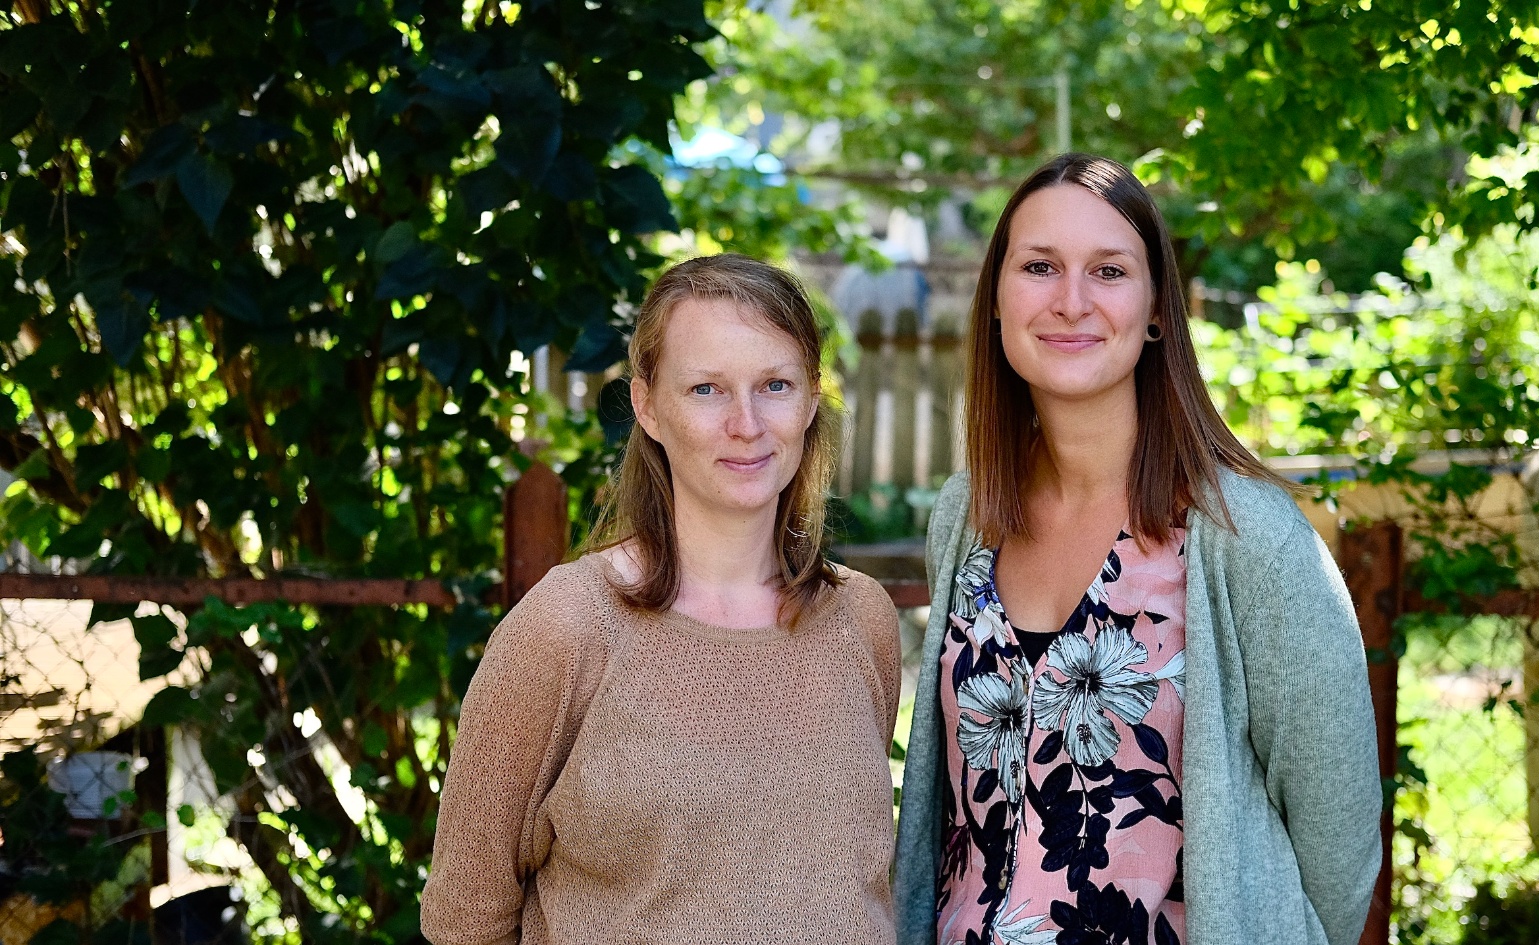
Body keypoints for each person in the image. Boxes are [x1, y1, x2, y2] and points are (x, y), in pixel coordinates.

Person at [893, 154, 1382, 945]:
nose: (1071, 300)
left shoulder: (1243, 536)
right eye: (1040, 266)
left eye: (1109, 270)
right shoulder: (968, 513)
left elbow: (1340, 842)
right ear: (996, 302)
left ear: (1158, 308)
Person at [422, 254, 901, 945]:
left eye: (774, 384)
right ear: (648, 406)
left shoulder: (862, 619)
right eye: (706, 389)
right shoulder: (567, 628)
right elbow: (463, 919)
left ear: (811, 397)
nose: (746, 422)